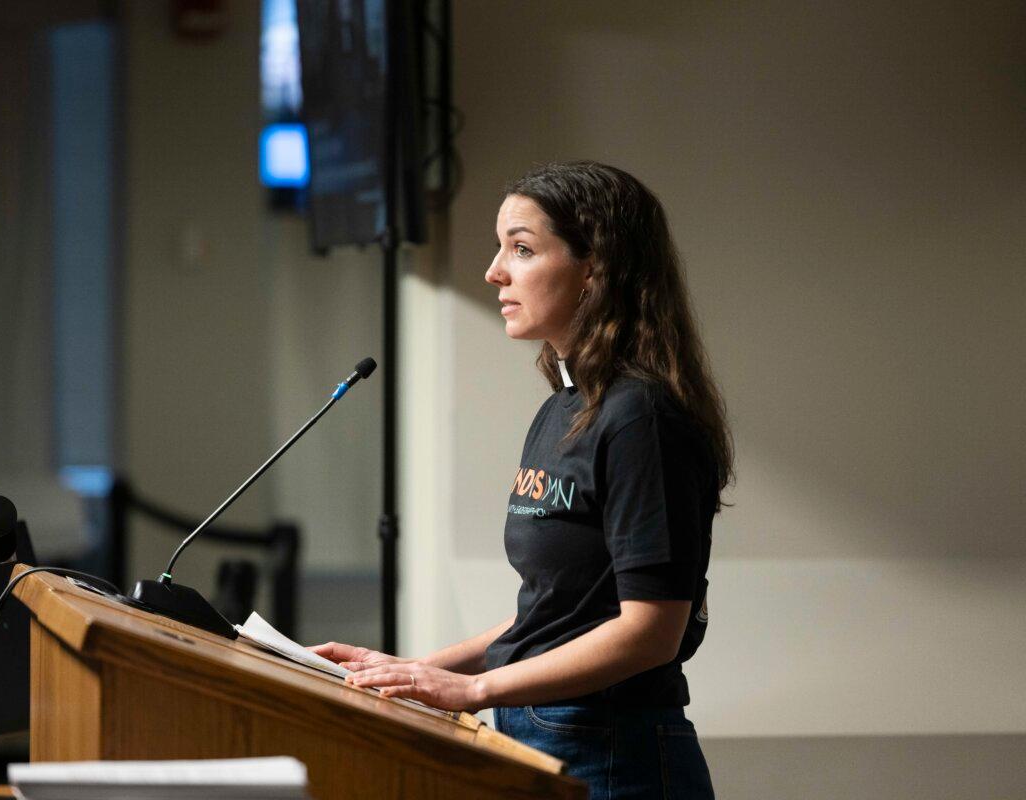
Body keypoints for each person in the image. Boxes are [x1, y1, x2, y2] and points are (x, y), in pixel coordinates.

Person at [310, 161, 732, 799]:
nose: (494, 271)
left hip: (612, 748)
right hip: (538, 729)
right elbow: (555, 619)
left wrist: (474, 690)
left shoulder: (641, 416)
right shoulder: (565, 407)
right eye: (500, 247)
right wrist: (411, 670)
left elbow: (650, 632)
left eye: (522, 249)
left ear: (596, 268)